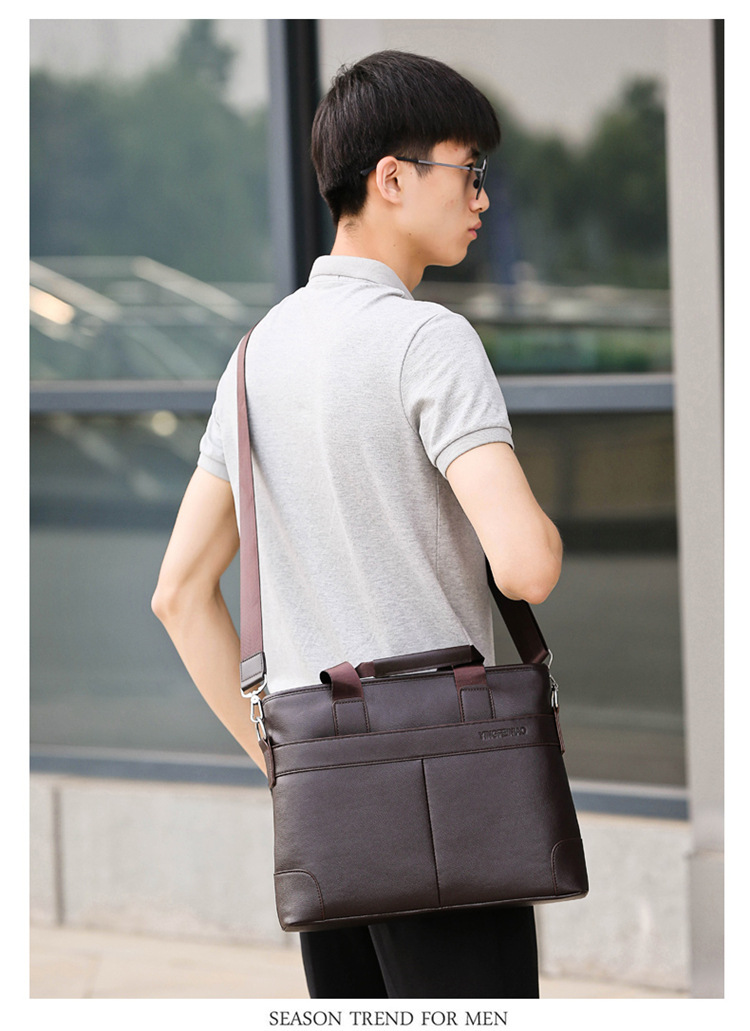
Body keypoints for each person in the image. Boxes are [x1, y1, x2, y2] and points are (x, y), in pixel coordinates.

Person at [152, 49, 562, 999]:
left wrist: (287, 764)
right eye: (469, 169)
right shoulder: (429, 339)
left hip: (329, 811)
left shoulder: (253, 357)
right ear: (391, 178)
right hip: (450, 792)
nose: (482, 198)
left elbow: (178, 593)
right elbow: (527, 567)